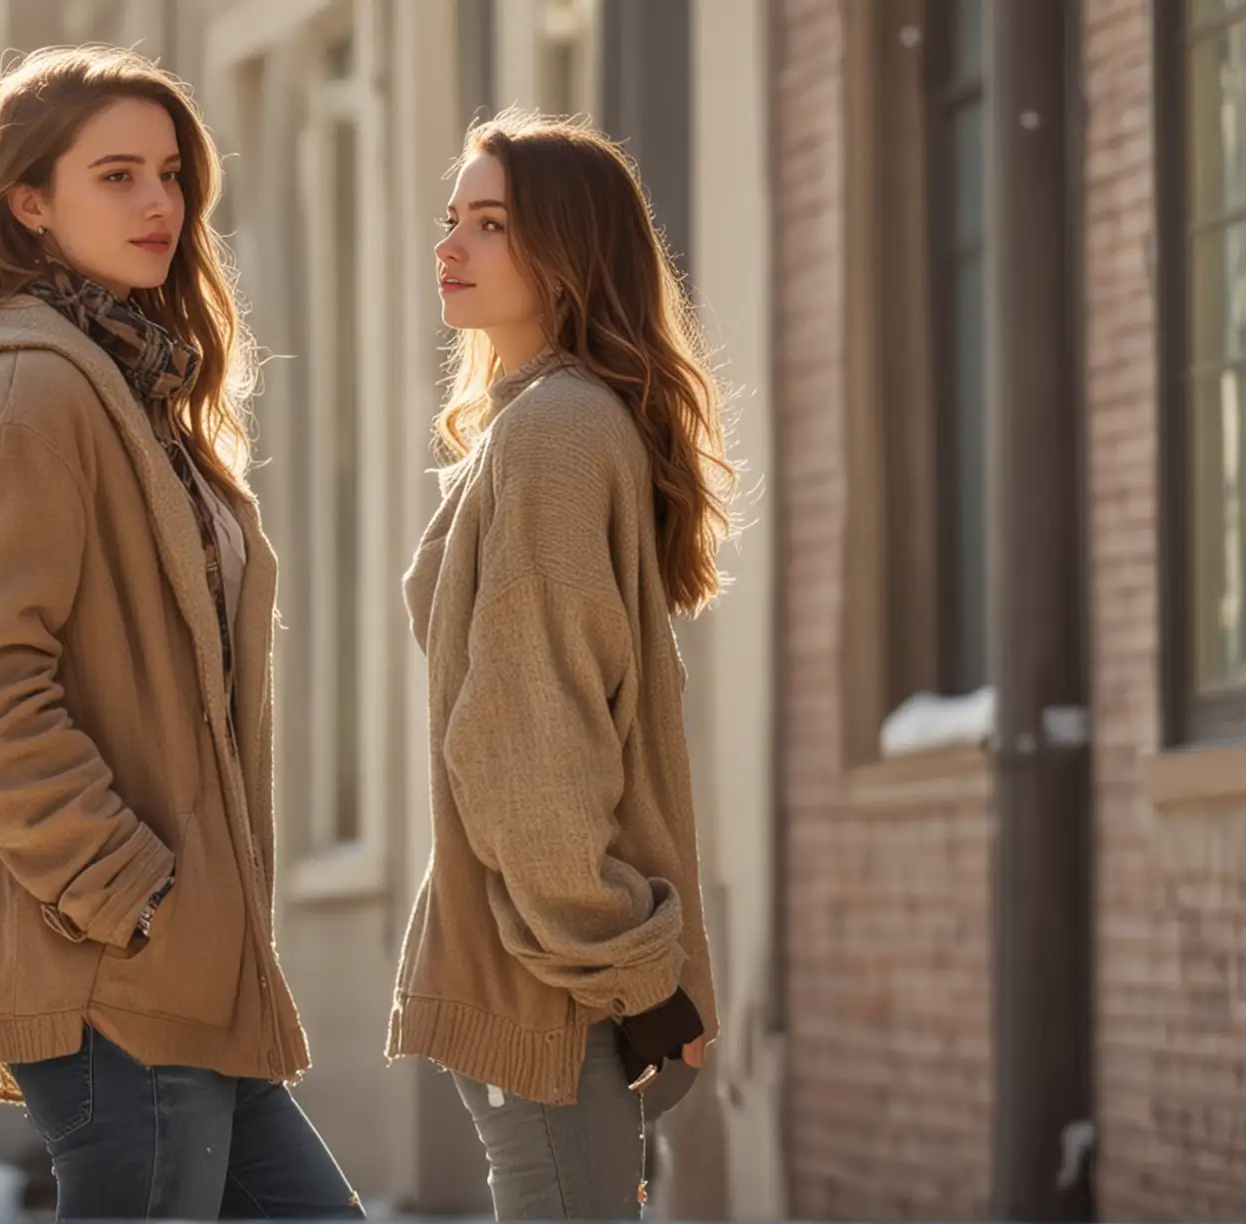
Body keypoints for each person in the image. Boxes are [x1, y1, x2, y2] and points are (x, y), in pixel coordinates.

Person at [0, 45, 360, 1221]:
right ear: (29, 205)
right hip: (116, 974)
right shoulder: (30, 396)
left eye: (171, 173)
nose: (160, 204)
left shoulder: (135, 393)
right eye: (117, 176)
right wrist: (129, 891)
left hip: (191, 978)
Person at [388, 108, 734, 1220]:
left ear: (568, 251)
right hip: (561, 982)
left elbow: (536, 734)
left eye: (489, 225)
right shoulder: (546, 431)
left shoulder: (556, 429)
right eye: (453, 220)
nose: (450, 247)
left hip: (550, 972)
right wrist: (641, 980)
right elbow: (525, 752)